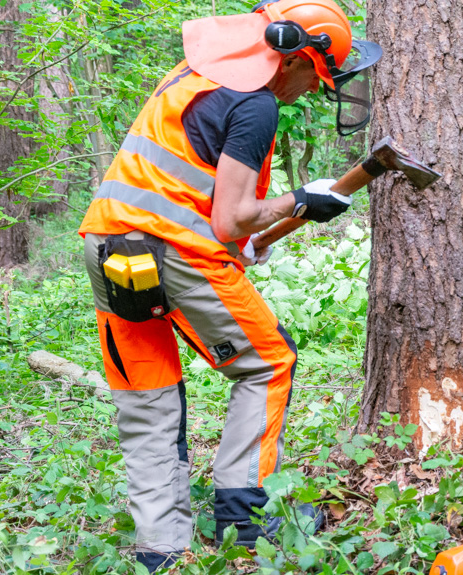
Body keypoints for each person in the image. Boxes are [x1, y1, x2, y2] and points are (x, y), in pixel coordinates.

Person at [77, 1, 381, 571]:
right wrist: (299, 199)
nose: (310, 91)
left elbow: (188, 188)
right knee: (268, 362)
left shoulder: (194, 74)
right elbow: (232, 217)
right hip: (173, 252)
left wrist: (251, 240)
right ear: (290, 58)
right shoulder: (256, 103)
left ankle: (160, 546)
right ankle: (246, 518)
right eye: (314, 77)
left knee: (146, 391)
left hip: (110, 246)